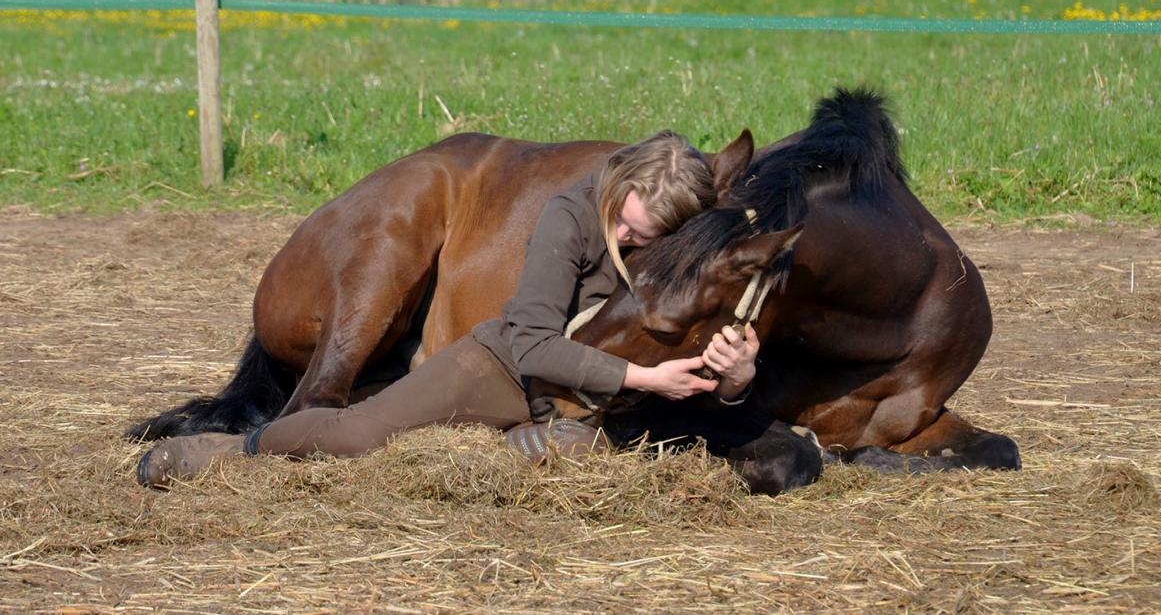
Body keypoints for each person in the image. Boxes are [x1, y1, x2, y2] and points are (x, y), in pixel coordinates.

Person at [137, 132, 761, 487]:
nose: (629, 241)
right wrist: (646, 379)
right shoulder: (569, 218)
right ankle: (231, 448)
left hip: (567, 399)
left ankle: (537, 437)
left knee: (584, 455)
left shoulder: (672, 256)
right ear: (620, 186)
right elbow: (531, 341)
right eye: (626, 225)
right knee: (355, 437)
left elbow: (683, 362)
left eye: (645, 236)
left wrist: (735, 378)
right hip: (497, 368)